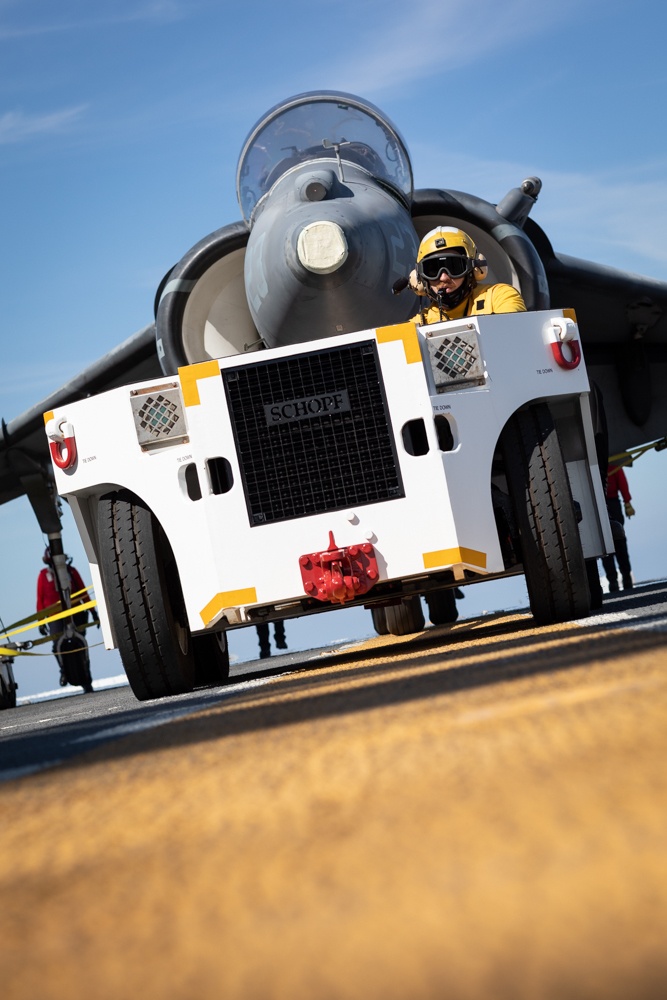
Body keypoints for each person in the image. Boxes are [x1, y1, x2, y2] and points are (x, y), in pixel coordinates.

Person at [409, 226, 526, 324]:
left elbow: (513, 333)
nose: (444, 277)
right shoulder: (418, 323)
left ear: (474, 269)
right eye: (433, 270)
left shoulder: (500, 297)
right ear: (420, 278)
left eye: (454, 267)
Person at [37, 548, 98, 684]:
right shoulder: (43, 575)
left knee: (81, 643)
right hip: (55, 617)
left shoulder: (72, 571)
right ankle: (64, 671)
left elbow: (83, 593)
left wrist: (93, 612)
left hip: (76, 613)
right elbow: (40, 599)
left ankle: (86, 675)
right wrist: (41, 621)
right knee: (56, 646)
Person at [601, 464, 635, 591]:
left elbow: (621, 481)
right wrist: (627, 502)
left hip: (606, 505)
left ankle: (616, 580)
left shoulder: (610, 465)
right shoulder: (613, 464)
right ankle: (622, 578)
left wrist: (627, 501)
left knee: (606, 545)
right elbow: (622, 482)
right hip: (611, 504)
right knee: (618, 542)